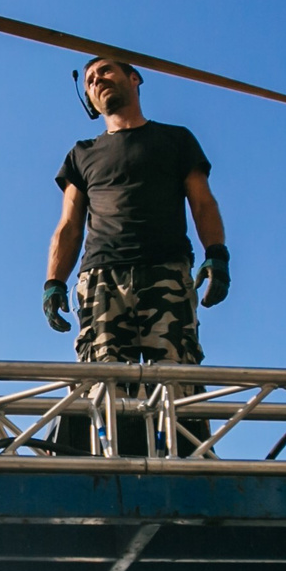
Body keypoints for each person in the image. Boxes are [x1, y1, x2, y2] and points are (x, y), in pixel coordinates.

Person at [45, 57, 228, 363]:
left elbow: (202, 201)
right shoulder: (82, 154)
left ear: (134, 78)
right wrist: (54, 283)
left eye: (105, 71)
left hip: (165, 270)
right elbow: (69, 225)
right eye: (89, 79)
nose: (96, 80)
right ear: (88, 99)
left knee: (176, 381)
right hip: (102, 277)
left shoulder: (176, 139)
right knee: (104, 387)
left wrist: (217, 254)